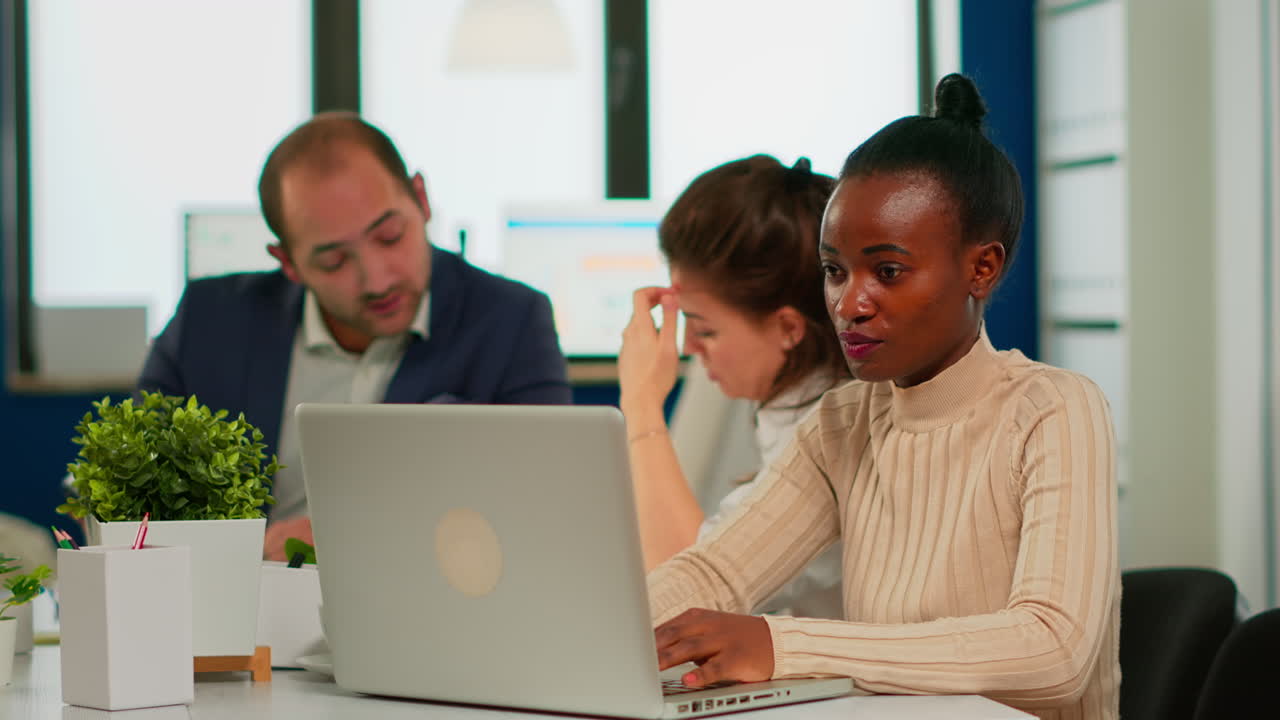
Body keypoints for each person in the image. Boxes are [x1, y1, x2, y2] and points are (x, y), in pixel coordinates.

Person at [645, 74, 1120, 720]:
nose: (850, 304)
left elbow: (1052, 651)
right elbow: (715, 573)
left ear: (982, 269)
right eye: (836, 271)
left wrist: (786, 643)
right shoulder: (844, 424)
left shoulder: (1055, 410)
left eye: (887, 271)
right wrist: (606, 628)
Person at [138, 113, 573, 560]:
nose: (377, 281)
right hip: (241, 612)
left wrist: (354, 533)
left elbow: (549, 506)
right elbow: (130, 508)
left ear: (421, 200)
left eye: (390, 237)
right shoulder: (210, 322)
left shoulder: (511, 320)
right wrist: (250, 552)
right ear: (288, 263)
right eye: (334, 262)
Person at [618, 155, 851, 619]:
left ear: (787, 327)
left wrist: (641, 403)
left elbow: (681, 596)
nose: (688, 346)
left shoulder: (833, 442)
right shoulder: (806, 409)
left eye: (704, 330)